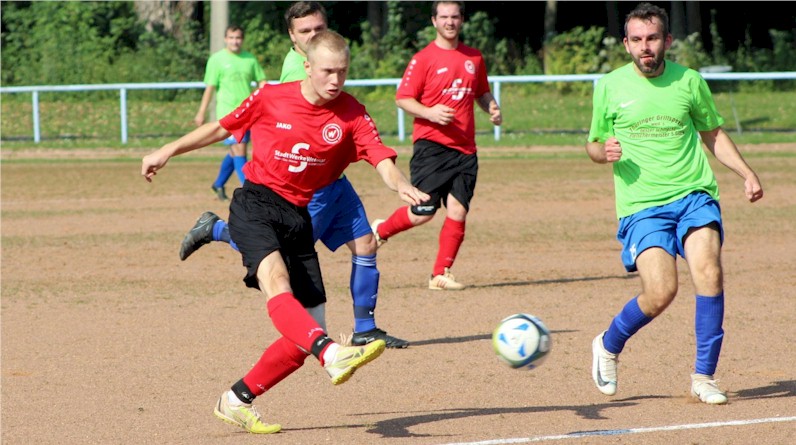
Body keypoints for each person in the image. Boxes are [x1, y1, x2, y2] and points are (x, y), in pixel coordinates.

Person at [141, 30, 429, 434]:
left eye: (342, 72)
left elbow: (379, 157)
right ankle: (331, 355)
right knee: (277, 282)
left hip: (298, 217)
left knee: (302, 338)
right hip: (256, 204)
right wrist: (166, 150)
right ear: (307, 66)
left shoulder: (352, 114)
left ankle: (235, 400)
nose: (335, 80)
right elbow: (221, 129)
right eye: (328, 71)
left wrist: (398, 183)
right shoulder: (271, 97)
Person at [179, 1, 410, 349]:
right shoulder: (295, 73)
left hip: (334, 180)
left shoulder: (331, 62)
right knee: (277, 252)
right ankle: (216, 229)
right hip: (305, 186)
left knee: (365, 243)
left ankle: (365, 327)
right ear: (292, 38)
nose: (313, 35)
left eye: (318, 28)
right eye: (305, 31)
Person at [586, 2, 764, 406]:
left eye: (652, 38)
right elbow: (593, 143)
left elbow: (713, 134)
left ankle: (704, 376)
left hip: (694, 194)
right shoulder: (610, 86)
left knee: (709, 272)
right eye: (636, 40)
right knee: (662, 291)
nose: (644, 47)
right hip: (641, 205)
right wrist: (603, 152)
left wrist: (746, 173)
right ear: (626, 43)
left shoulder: (689, 81)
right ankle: (609, 344)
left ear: (666, 40)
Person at [370, 0, 502, 290]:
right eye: (444, 17)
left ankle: (440, 273)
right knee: (423, 212)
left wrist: (491, 107)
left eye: (455, 17)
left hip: (466, 149)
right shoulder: (424, 58)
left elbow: (481, 92)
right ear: (434, 21)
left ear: (462, 20)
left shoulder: (474, 58)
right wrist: (430, 112)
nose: (450, 22)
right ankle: (382, 229)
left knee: (458, 211)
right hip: (432, 146)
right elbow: (403, 98)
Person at [194, 25, 267, 201]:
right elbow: (210, 87)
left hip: (247, 113)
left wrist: (268, 104)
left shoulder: (249, 59)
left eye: (238, 38)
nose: (235, 41)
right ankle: (249, 191)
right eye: (231, 38)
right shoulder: (217, 60)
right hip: (227, 113)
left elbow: (262, 81)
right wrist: (201, 111)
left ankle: (218, 184)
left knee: (235, 151)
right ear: (225, 39)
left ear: (242, 39)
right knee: (240, 149)